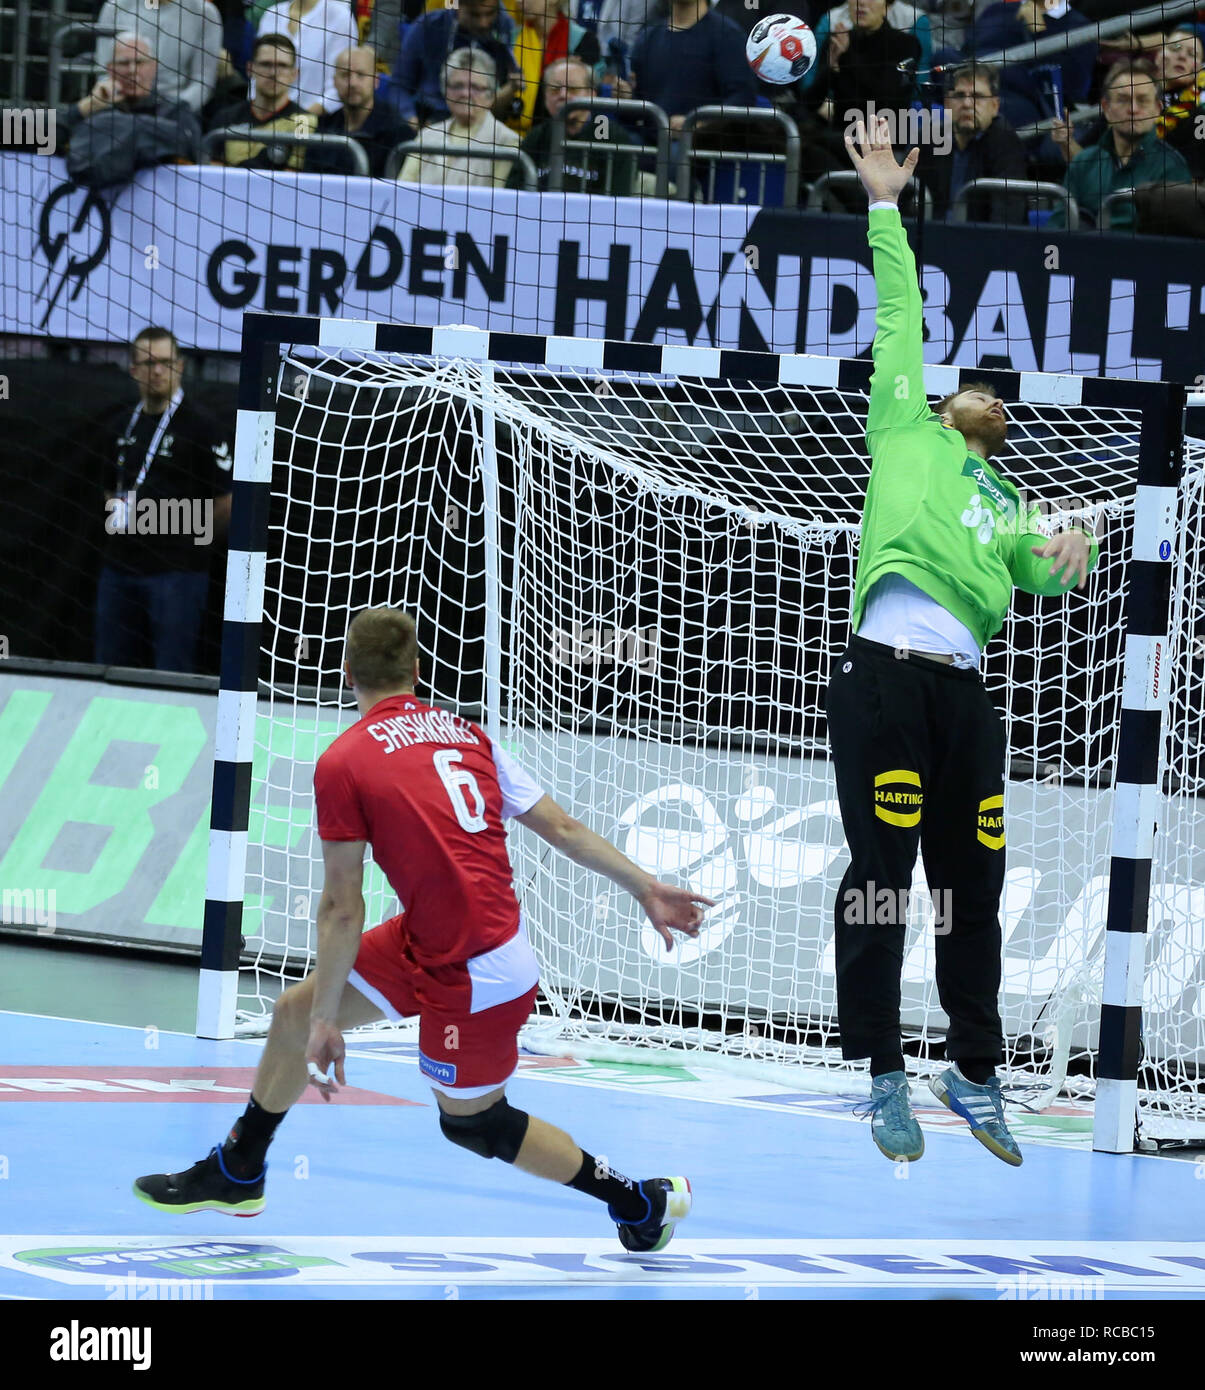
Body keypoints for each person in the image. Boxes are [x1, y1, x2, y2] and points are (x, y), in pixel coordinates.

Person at [134, 608, 711, 1251]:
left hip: (478, 972)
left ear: (346, 670)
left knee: (473, 1126)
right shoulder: (471, 737)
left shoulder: (344, 761)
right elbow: (565, 830)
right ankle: (239, 1171)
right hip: (432, 938)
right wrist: (647, 888)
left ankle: (638, 1200)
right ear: (417, 670)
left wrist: (333, 1019)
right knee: (295, 1013)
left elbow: (343, 910)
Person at [827, 114, 1099, 1167]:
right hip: (884, 677)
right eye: (970, 382)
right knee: (880, 872)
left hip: (964, 698)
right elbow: (898, 310)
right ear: (943, 404)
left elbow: (1044, 568)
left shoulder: (1012, 499)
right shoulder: (902, 423)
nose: (981, 388)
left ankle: (972, 1069)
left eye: (996, 391)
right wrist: (886, 202)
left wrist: (1067, 541)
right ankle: (881, 1070)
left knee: (970, 882)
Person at [93, 327, 233, 674]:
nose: (157, 371)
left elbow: (226, 500)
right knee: (109, 668)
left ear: (181, 366)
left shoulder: (203, 427)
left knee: (171, 672)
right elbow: (109, 487)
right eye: (148, 363)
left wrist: (188, 544)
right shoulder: (120, 424)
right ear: (133, 369)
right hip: (119, 569)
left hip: (178, 574)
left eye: (166, 363)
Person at [1051, 60, 1192, 230]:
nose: (1133, 109)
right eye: (1123, 100)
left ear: (1157, 109)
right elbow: (1057, 227)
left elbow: (1173, 245)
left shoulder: (1171, 168)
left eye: (1142, 100)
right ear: (1106, 108)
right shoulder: (1083, 162)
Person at [54, 33, 201, 189]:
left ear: (154, 67)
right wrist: (85, 108)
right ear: (110, 69)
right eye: (124, 63)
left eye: (139, 62)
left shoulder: (176, 110)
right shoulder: (95, 109)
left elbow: (194, 152)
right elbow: (50, 137)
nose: (132, 70)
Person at [917, 62, 1028, 222]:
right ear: (947, 104)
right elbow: (905, 202)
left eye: (978, 96)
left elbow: (1007, 217)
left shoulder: (1006, 143)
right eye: (959, 96)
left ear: (995, 106)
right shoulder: (929, 138)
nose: (967, 104)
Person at [508, 55, 638, 192]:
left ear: (591, 95)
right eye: (554, 89)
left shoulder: (613, 138)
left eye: (572, 89)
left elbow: (619, 201)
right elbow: (513, 194)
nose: (563, 95)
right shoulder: (535, 137)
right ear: (545, 97)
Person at [396, 47, 521, 186]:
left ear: (490, 95)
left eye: (475, 87)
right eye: (457, 86)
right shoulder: (426, 137)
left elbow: (501, 201)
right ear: (445, 91)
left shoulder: (508, 143)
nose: (465, 94)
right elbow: (403, 191)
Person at [628, 0, 758, 132]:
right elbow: (634, 111)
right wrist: (626, 99)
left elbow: (743, 98)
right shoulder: (648, 37)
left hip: (701, 144)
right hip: (647, 141)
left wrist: (699, 124)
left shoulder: (727, 35)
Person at [388, 0, 520, 128]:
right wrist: (411, 120)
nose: (483, 23)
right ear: (457, 6)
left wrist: (510, 89)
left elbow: (500, 100)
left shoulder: (506, 29)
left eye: (490, 14)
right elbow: (399, 86)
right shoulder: (427, 25)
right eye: (475, 15)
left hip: (482, 123)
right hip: (428, 120)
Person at [799, 0, 921, 128]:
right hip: (840, 136)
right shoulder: (838, 41)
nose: (861, 2)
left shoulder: (906, 44)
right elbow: (810, 103)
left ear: (886, 6)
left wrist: (847, 56)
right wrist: (831, 70)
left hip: (884, 139)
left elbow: (885, 100)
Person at [207, 33, 318, 168]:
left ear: (294, 74)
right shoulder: (225, 118)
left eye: (282, 65)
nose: (273, 73)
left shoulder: (304, 121)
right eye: (266, 64)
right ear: (250, 69)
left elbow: (295, 177)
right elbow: (213, 174)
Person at [94, 0, 222, 114]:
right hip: (122, 106)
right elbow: (104, 73)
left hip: (178, 110)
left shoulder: (204, 12)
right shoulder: (115, 7)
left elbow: (202, 83)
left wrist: (175, 109)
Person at [307, 44, 416, 173]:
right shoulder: (323, 127)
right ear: (334, 82)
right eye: (345, 75)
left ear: (376, 81)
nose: (352, 83)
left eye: (361, 75)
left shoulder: (399, 132)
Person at [512, 0, 601, 134]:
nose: (519, 1)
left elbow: (592, 96)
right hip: (516, 131)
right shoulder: (512, 37)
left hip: (567, 133)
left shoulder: (584, 40)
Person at [255, 0, 361, 114]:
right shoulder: (271, 15)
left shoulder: (340, 17)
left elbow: (339, 86)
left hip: (317, 122)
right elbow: (257, 75)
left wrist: (300, 121)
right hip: (266, 119)